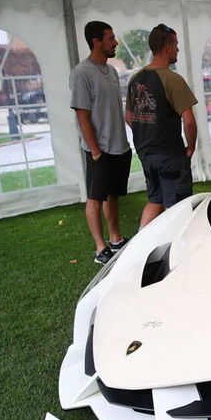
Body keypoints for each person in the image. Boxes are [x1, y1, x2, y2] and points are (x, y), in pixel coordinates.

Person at [69, 20, 132, 265]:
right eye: (110, 38)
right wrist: (94, 149)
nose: (115, 42)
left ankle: (115, 239)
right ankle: (100, 248)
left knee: (113, 195)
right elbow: (82, 114)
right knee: (95, 198)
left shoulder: (113, 71)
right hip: (99, 150)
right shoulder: (82, 73)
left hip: (119, 145)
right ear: (96, 42)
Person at [125, 23, 198, 228]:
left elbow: (128, 116)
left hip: (145, 153)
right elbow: (189, 121)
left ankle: (139, 248)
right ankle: (177, 251)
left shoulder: (135, 79)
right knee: (179, 208)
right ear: (167, 48)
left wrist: (147, 133)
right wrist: (191, 148)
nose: (177, 49)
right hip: (170, 155)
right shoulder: (172, 79)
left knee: (155, 200)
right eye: (175, 45)